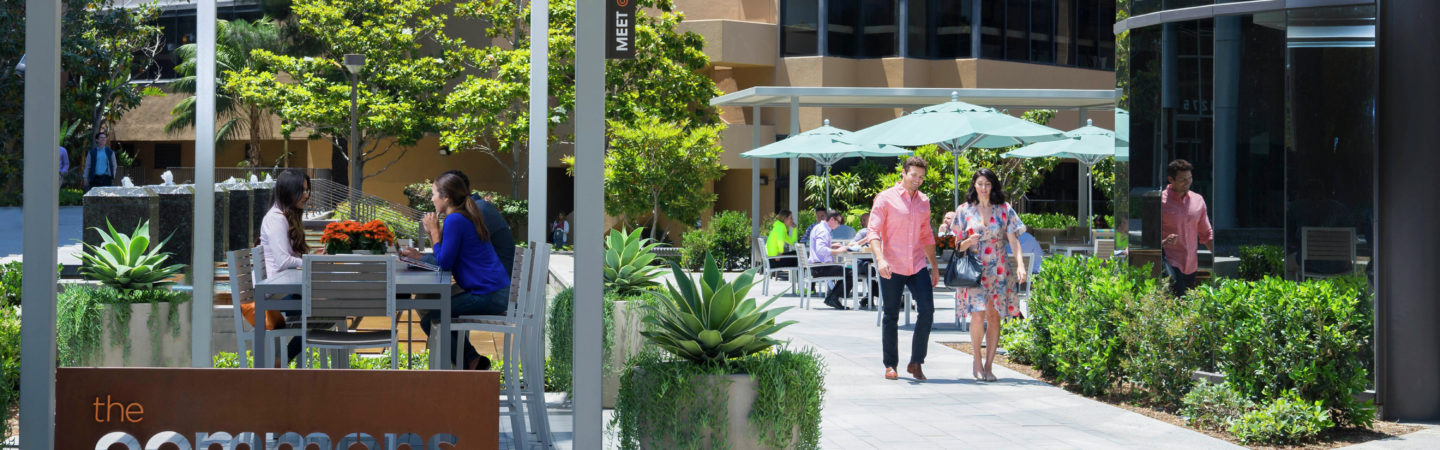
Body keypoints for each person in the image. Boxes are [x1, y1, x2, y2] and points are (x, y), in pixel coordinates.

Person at [405, 172, 511, 371]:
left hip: (488, 295)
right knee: (435, 316)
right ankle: (471, 363)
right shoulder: (462, 217)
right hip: (493, 292)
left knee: (431, 321)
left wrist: (435, 232)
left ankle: (471, 364)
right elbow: (446, 256)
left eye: (434, 193)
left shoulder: (455, 220)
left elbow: (444, 263)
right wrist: (433, 234)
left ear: (446, 197)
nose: (431, 198)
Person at [953, 168, 1029, 382]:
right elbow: (956, 245)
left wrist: (1021, 265)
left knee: (994, 315)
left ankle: (989, 365)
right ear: (974, 186)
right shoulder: (964, 210)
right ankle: (976, 361)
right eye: (980, 184)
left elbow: (1014, 240)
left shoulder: (1004, 209)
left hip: (999, 268)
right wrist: (968, 242)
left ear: (993, 185)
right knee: (977, 314)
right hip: (975, 269)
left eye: (987, 184)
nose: (984, 188)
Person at [869, 156, 940, 381]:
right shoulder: (885, 199)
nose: (917, 180)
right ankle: (891, 365)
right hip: (892, 265)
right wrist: (880, 259)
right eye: (914, 175)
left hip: (917, 264)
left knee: (927, 310)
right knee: (891, 315)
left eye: (921, 177)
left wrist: (935, 267)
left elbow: (926, 234)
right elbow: (873, 232)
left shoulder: (924, 201)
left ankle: (916, 362)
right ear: (903, 172)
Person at [255, 169, 314, 365]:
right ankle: (283, 359)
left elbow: (289, 258)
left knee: (323, 308)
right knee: (322, 309)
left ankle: (284, 359)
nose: (306, 195)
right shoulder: (276, 218)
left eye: (307, 191)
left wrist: (310, 257)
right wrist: (311, 262)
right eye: (302, 191)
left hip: (282, 289)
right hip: (275, 295)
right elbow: (283, 262)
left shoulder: (285, 216)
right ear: (289, 191)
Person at [423, 170, 516, 276]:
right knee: (430, 293)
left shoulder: (474, 212)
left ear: (447, 194)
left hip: (494, 281)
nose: (432, 199)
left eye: (434, 194)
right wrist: (431, 233)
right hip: (488, 279)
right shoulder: (469, 211)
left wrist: (421, 256)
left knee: (429, 293)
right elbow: (444, 255)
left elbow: (447, 263)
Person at [1160, 159, 1213, 297]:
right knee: (1177, 297)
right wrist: (1164, 242)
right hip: (1169, 260)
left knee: (1184, 305)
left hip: (1190, 264)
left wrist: (1217, 254)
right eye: (1183, 179)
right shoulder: (1160, 202)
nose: (1188, 182)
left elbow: (1206, 233)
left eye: (1189, 178)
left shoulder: (1198, 200)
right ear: (1171, 179)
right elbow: (1149, 235)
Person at [808, 210, 853, 310]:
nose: (839, 225)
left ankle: (832, 297)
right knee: (851, 273)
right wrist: (839, 250)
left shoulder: (820, 227)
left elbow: (819, 246)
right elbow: (820, 250)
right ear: (832, 219)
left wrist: (831, 246)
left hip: (818, 266)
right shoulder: (823, 230)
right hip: (819, 267)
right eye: (839, 222)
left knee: (847, 271)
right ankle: (833, 298)